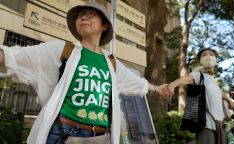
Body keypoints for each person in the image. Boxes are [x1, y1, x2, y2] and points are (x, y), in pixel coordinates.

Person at [0, 2, 170, 144]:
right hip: (61, 133)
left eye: (90, 14)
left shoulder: (111, 62)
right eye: (81, 14)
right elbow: (16, 56)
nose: (84, 17)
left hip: (99, 137)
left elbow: (135, 83)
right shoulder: (63, 49)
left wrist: (157, 88)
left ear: (104, 25)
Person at [167, 48, 225, 144]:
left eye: (211, 54)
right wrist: (172, 85)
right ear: (199, 62)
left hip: (219, 127)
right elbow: (186, 79)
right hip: (206, 126)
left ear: (216, 59)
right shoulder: (198, 75)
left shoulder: (213, 80)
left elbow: (221, 93)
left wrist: (230, 101)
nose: (208, 56)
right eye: (204, 55)